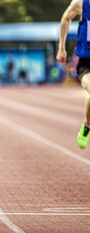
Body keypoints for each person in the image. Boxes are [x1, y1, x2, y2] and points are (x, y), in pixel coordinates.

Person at [57, 0, 90, 149]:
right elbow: (66, 18)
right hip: (86, 62)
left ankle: (87, 124)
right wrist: (61, 48)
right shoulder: (81, 4)